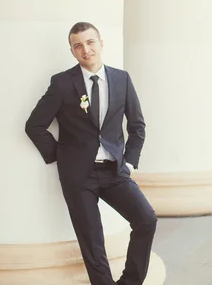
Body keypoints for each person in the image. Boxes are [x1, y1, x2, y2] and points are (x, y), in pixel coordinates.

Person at [25, 22, 157, 285]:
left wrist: (129, 163)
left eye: (90, 42)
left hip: (114, 171)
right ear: (73, 51)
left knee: (146, 219)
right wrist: (62, 157)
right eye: (78, 46)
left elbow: (137, 126)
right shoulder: (63, 83)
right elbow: (34, 125)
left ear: (100, 43)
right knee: (92, 242)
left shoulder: (121, 79)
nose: (85, 49)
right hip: (79, 177)